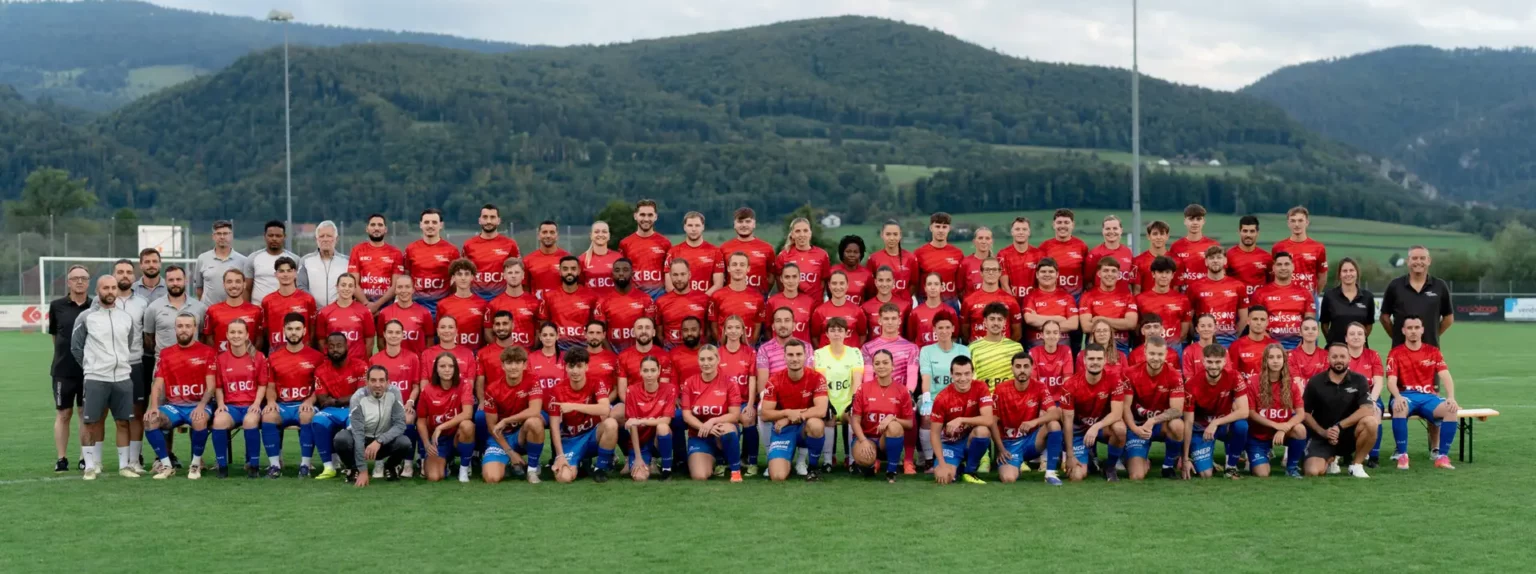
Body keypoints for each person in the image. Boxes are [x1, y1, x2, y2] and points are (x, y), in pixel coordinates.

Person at [70, 276, 142, 480]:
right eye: (105, 288)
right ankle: (90, 466)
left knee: (123, 422)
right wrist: (91, 366)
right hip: (96, 377)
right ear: (98, 290)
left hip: (122, 377)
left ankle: (124, 466)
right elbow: (76, 347)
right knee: (90, 423)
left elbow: (127, 343)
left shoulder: (125, 318)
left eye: (113, 287)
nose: (110, 291)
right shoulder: (86, 317)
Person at [144, 312, 216, 479]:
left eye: (188, 326)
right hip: (175, 407)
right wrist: (153, 406)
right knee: (150, 420)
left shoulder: (207, 352)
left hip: (199, 404)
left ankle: (195, 465)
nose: (184, 330)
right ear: (175, 328)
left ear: (195, 328)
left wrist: (201, 406)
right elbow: (158, 384)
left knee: (199, 419)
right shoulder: (166, 353)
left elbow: (211, 386)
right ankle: (166, 466)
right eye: (180, 326)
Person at [1385, 316, 1460, 470]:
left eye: (1416, 327)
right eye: (1410, 328)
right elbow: (1391, 381)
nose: (1413, 331)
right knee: (1399, 407)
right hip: (1406, 396)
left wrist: (1451, 397)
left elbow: (1445, 375)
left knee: (1451, 410)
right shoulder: (1395, 353)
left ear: (1422, 330)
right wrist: (1397, 397)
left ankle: (1442, 457)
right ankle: (1402, 455)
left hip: (1428, 398)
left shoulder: (1433, 351)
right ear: (1403, 331)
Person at [859, 306, 921, 473]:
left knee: (911, 412)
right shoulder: (868, 347)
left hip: (901, 396)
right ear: (879, 321)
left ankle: (908, 460)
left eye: (894, 318)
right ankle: (876, 458)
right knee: (873, 411)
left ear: (900, 321)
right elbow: (868, 376)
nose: (890, 322)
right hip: (877, 393)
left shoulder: (911, 347)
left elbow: (912, 374)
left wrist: (908, 395)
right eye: (886, 318)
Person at [261, 313, 324, 479]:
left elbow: (320, 386)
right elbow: (270, 386)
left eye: (297, 329)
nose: (293, 332)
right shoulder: (273, 357)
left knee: (307, 415)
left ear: (304, 331)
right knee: (268, 415)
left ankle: (305, 465)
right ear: (284, 331)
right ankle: (274, 466)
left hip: (303, 404)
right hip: (283, 405)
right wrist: (271, 401)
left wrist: (310, 400)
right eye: (290, 329)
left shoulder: (317, 357)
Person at [1302, 344, 1378, 478]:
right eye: (1334, 356)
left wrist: (1339, 427)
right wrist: (1324, 432)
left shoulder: (1359, 380)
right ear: (1328, 359)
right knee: (1311, 472)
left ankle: (1356, 465)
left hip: (1349, 434)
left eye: (1343, 356)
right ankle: (1330, 460)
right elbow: (1305, 413)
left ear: (1349, 359)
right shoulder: (1315, 382)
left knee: (1371, 422)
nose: (1339, 360)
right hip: (1323, 436)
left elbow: (1367, 409)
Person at [547, 347, 620, 483]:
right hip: (571, 440)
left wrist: (574, 406)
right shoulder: (556, 390)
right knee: (564, 478)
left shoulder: (596, 382)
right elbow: (554, 427)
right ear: (566, 367)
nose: (575, 371)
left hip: (592, 435)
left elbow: (605, 409)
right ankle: (580, 463)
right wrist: (560, 455)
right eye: (571, 366)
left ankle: (601, 468)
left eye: (579, 366)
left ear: (586, 367)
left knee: (611, 424)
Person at [761, 340, 830, 482]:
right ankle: (786, 460)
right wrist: (786, 412)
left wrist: (789, 417)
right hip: (783, 430)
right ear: (784, 357)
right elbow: (765, 414)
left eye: (799, 354)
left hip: (804, 428)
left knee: (816, 424)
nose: (795, 359)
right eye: (790, 355)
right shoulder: (774, 380)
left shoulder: (817, 378)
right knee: (778, 476)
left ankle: (813, 468)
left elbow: (821, 410)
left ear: (806, 356)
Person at [991, 352, 1064, 485]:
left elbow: (1056, 413)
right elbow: (992, 422)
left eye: (1026, 366)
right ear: (1012, 368)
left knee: (1054, 424)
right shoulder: (1000, 390)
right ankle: (1015, 466)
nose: (1022, 370)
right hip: (1009, 444)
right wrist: (1000, 449)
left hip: (1032, 441)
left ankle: (1050, 473)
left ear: (1032, 368)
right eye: (1018, 366)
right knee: (1008, 479)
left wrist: (1034, 422)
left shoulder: (1039, 387)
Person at [210, 320, 269, 479]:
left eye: (240, 332)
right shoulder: (221, 359)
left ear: (247, 335)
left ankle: (253, 466)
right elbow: (218, 386)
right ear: (227, 335)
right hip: (231, 407)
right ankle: (222, 467)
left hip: (251, 405)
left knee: (250, 421)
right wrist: (221, 404)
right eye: (233, 332)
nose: (236, 336)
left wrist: (256, 403)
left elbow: (262, 384)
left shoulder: (258, 357)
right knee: (219, 421)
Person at [478, 346, 547, 484]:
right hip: (501, 437)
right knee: (491, 478)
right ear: (503, 366)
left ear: (525, 365)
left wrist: (506, 420)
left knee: (535, 421)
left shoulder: (533, 380)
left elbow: (534, 410)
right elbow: (492, 427)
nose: (513, 367)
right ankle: (510, 464)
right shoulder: (492, 389)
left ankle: (532, 469)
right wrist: (510, 452)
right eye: (509, 363)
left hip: (521, 434)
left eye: (517, 362)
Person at [1059, 344, 1127, 482]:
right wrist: (1070, 455)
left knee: (1120, 429)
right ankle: (1088, 460)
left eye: (1099, 359)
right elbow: (1067, 421)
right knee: (1076, 476)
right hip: (1079, 431)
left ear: (1104, 360)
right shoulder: (1070, 384)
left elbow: (1117, 413)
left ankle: (1109, 467)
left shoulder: (1114, 380)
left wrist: (1096, 426)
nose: (1095, 362)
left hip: (1102, 428)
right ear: (1084, 360)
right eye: (1091, 359)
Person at [1180, 344, 1250, 480]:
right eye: (1210, 362)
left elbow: (1244, 411)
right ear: (1203, 361)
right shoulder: (1191, 385)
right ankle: (1203, 459)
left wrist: (1216, 422)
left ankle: (1231, 467)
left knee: (1241, 426)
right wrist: (1185, 459)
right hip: (1201, 429)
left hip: (1223, 425)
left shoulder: (1234, 376)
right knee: (1206, 474)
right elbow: (1188, 422)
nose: (1214, 366)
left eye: (1218, 362)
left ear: (1224, 361)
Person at [1121, 337, 1185, 480]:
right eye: (1152, 353)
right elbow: (1125, 406)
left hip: (1160, 425)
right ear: (1145, 352)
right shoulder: (1130, 373)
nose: (1156, 358)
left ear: (1166, 354)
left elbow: (1177, 410)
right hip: (1138, 425)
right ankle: (1132, 457)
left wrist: (1153, 421)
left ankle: (1168, 466)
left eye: (1160, 354)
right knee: (1136, 476)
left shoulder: (1174, 375)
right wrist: (1135, 428)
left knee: (1178, 425)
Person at [48, 265, 92, 472]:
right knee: (64, 413)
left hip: (89, 370)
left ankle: (84, 457)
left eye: (83, 278)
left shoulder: (95, 306)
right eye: (75, 278)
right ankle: (61, 458)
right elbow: (55, 337)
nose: (79, 281)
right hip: (62, 371)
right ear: (68, 282)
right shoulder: (56, 306)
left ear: (89, 282)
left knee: (85, 413)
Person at [338, 366, 411, 486]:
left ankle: (391, 466)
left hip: (384, 441)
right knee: (341, 439)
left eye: (381, 380)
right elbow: (358, 434)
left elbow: (400, 425)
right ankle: (354, 468)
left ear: (388, 382)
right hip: (362, 439)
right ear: (366, 382)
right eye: (373, 380)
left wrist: (379, 441)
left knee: (404, 443)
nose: (377, 384)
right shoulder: (358, 397)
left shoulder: (394, 393)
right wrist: (363, 470)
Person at [850, 350, 916, 483]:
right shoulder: (863, 388)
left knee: (895, 426)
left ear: (893, 366)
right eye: (877, 363)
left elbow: (909, 424)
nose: (881, 366)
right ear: (873, 367)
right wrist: (863, 441)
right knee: (866, 458)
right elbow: (855, 420)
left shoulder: (902, 390)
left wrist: (893, 418)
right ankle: (868, 465)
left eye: (885, 363)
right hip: (866, 437)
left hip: (886, 440)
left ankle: (891, 471)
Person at [680, 346, 744, 482]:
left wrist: (712, 421)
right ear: (698, 361)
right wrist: (704, 427)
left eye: (710, 359)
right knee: (699, 476)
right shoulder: (690, 383)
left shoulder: (729, 383)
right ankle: (716, 460)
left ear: (718, 360)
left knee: (727, 429)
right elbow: (686, 415)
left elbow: (734, 415)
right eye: (702, 359)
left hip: (721, 431)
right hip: (699, 435)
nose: (706, 363)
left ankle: (735, 471)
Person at [928, 356, 995, 485]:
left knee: (983, 431)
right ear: (951, 374)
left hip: (970, 440)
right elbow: (934, 434)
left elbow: (988, 420)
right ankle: (958, 468)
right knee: (945, 478)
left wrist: (961, 420)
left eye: (967, 373)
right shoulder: (942, 398)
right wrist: (942, 464)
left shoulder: (981, 387)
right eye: (958, 374)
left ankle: (970, 471)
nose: (963, 378)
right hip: (950, 444)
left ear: (973, 373)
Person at [310, 332, 367, 480]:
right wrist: (343, 400)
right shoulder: (321, 370)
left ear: (347, 346)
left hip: (353, 408)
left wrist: (335, 401)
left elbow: (361, 395)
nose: (335, 349)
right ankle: (328, 467)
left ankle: (354, 465)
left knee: (354, 424)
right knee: (318, 420)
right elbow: (323, 400)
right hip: (331, 411)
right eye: (331, 346)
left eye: (339, 346)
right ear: (326, 349)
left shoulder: (360, 366)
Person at [110, 260, 150, 470]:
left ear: (134, 277)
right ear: (113, 275)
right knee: (113, 415)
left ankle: (134, 461)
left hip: (134, 364)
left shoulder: (143, 303)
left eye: (128, 272)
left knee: (136, 413)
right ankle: (97, 461)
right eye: (120, 272)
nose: (124, 275)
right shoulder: (100, 301)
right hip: (108, 366)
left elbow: (148, 335)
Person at [369, 320, 422, 476]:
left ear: (403, 335)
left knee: (408, 418)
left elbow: (416, 386)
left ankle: (407, 463)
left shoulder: (412, 358)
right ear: (384, 335)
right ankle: (379, 462)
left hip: (404, 405)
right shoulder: (375, 359)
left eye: (397, 332)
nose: (394, 335)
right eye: (390, 332)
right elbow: (372, 387)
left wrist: (410, 402)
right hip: (382, 405)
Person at [1247, 344, 1308, 478]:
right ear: (1265, 360)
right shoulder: (1253, 381)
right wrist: (1276, 425)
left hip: (1283, 432)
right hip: (1258, 436)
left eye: (1279, 357)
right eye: (1271, 357)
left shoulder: (1291, 383)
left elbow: (1301, 413)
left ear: (1284, 360)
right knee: (1262, 474)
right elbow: (1251, 413)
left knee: (1300, 429)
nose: (1275, 361)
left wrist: (1284, 427)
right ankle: (1263, 455)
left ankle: (1291, 468)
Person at [814, 318, 864, 473]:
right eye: (833, 330)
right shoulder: (819, 353)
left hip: (847, 401)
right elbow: (821, 381)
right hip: (829, 400)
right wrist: (826, 403)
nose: (836, 333)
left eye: (840, 330)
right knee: (829, 418)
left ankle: (853, 461)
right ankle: (828, 461)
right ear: (827, 334)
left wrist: (854, 401)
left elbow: (857, 379)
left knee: (852, 418)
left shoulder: (855, 352)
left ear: (846, 333)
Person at [916, 315, 968, 466]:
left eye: (947, 327)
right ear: (934, 330)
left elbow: (967, 377)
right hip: (934, 398)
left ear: (953, 329)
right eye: (940, 328)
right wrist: (926, 399)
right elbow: (926, 376)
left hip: (958, 398)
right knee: (927, 416)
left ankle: (963, 455)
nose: (944, 331)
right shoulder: (926, 351)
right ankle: (928, 459)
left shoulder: (963, 350)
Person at [1380, 246, 1453, 348]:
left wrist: (1433, 336)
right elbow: (1384, 317)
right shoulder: (1395, 285)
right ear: (1408, 261)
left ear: (1429, 261)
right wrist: (1397, 337)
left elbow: (1448, 318)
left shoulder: (1440, 286)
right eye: (1414, 258)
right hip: (1401, 350)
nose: (1418, 262)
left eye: (1422, 258)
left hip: (1430, 350)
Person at [418, 353, 475, 483]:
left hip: (457, 436)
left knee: (467, 425)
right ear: (436, 370)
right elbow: (421, 421)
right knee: (434, 477)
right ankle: (446, 463)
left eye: (451, 366)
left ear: (455, 368)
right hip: (439, 441)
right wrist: (427, 444)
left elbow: (468, 413)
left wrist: (440, 427)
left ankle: (464, 469)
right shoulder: (427, 390)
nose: (447, 369)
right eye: (442, 366)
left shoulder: (464, 384)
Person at [623, 356, 677, 481]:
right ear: (640, 371)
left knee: (663, 427)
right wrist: (638, 457)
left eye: (653, 370)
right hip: (640, 442)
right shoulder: (632, 390)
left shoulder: (669, 389)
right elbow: (632, 426)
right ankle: (645, 460)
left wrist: (641, 421)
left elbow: (666, 420)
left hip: (657, 440)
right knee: (639, 478)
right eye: (645, 371)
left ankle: (666, 469)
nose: (649, 375)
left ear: (659, 371)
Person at [715, 316, 758, 472]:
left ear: (742, 331)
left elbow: (752, 379)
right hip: (723, 403)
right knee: (720, 422)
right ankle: (722, 460)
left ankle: (750, 461)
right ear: (724, 331)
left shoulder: (750, 352)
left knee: (748, 418)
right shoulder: (717, 353)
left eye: (737, 327)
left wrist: (750, 404)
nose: (733, 331)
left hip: (743, 401)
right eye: (730, 327)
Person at [1249, 252, 1316, 350]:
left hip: (1298, 346)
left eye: (1286, 264)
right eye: (1279, 264)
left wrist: (1301, 346)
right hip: (1268, 347)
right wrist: (1274, 347)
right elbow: (1255, 324)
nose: (1283, 268)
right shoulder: (1260, 293)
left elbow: (1310, 322)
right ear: (1273, 268)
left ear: (1293, 267)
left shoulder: (1305, 293)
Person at [1344, 322, 1387, 468]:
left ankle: (1374, 456)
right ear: (1346, 338)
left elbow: (1378, 382)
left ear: (1365, 337)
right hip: (1345, 398)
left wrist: (1372, 401)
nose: (1356, 337)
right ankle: (1345, 453)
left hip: (1369, 396)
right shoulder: (1341, 355)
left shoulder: (1373, 355)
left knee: (1375, 411)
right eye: (1352, 334)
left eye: (1360, 334)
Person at [405, 208, 462, 315]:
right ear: (421, 225)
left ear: (441, 225)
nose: (430, 226)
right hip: (416, 308)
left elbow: (457, 281)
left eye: (434, 222)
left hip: (443, 308)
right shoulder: (411, 249)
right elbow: (406, 277)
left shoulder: (452, 251)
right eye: (426, 222)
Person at [1186, 246, 1246, 346]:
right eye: (1211, 258)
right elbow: (1188, 318)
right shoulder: (1194, 287)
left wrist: (1234, 337)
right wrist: (1196, 337)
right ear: (1206, 262)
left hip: (1229, 341)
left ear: (1225, 261)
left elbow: (1244, 318)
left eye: (1219, 257)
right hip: (1203, 341)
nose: (1215, 261)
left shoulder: (1238, 286)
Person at [595, 259, 658, 351]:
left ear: (632, 273)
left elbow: (649, 331)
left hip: (639, 353)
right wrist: (611, 354)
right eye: (617, 270)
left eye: (625, 270)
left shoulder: (645, 299)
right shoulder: (602, 301)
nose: (621, 273)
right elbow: (599, 332)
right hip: (613, 353)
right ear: (612, 274)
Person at [460, 204, 520, 300]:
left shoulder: (510, 244)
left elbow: (519, 274)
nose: (488, 221)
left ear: (498, 220)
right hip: (475, 301)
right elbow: (462, 274)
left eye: (492, 217)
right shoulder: (469, 245)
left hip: (502, 300)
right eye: (485, 217)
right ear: (479, 220)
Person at [1079, 257, 1139, 354]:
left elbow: (1131, 324)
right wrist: (1120, 325)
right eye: (1106, 270)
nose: (1110, 274)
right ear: (1099, 273)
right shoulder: (1088, 296)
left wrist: (1100, 319)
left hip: (1121, 348)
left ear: (1118, 275)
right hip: (1095, 349)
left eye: (1113, 271)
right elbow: (1086, 327)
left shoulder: (1127, 296)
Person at [539, 255, 598, 352]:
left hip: (583, 350)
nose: (569, 272)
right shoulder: (549, 296)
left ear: (579, 271)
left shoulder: (591, 296)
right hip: (557, 350)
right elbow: (544, 324)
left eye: (573, 269)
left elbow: (595, 324)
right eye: (565, 269)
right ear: (560, 271)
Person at [351, 214, 407, 313]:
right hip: (362, 309)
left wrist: (377, 305)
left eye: (380, 225)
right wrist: (366, 304)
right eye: (373, 225)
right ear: (367, 229)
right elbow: (353, 282)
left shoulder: (395, 253)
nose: (376, 228)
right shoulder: (357, 250)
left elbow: (396, 285)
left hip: (386, 309)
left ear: (385, 229)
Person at [1135, 256, 1191, 356]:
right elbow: (1137, 329)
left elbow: (1184, 332)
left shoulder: (1183, 299)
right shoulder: (1140, 299)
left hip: (1174, 350)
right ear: (1153, 274)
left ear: (1172, 275)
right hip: (1149, 352)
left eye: (1167, 272)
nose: (1164, 276)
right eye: (1160, 272)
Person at [259, 256, 317, 350]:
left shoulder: (307, 299)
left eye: (289, 271)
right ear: (276, 274)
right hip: (277, 351)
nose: (285, 275)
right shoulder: (267, 301)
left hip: (302, 351)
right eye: (281, 271)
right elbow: (265, 330)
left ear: (295, 273)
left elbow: (313, 328)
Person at [619, 199, 673, 298]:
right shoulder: (625, 244)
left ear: (656, 217)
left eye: (650, 215)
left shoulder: (665, 243)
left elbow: (670, 274)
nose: (646, 219)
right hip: (635, 299)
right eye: (642, 215)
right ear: (635, 216)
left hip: (659, 299)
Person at [715, 207, 776, 295]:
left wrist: (763, 294)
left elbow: (771, 277)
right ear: (734, 224)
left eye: (748, 221)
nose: (744, 225)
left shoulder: (767, 248)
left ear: (754, 224)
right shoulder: (724, 248)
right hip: (732, 298)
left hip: (759, 297)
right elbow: (720, 277)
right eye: (740, 221)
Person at [710, 252, 767, 342]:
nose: (738, 268)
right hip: (724, 347)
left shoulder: (758, 298)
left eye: (742, 265)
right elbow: (713, 327)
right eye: (734, 264)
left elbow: (757, 328)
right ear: (728, 268)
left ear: (748, 268)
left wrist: (748, 347)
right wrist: (724, 345)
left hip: (748, 347)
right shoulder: (717, 296)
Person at [203, 269, 263, 353]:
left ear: (244, 285)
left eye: (238, 281)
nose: (234, 285)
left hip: (248, 359)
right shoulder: (212, 311)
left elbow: (259, 340)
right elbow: (209, 340)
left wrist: (250, 357)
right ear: (224, 285)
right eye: (229, 282)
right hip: (220, 360)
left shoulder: (256, 311)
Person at [1022, 259, 1079, 347]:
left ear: (1057, 274)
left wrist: (1040, 322)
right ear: (1037, 275)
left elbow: (1073, 324)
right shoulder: (1030, 297)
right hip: (1036, 348)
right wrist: (1059, 319)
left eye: (1051, 271)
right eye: (1043, 271)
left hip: (1062, 349)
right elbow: (1030, 320)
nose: (1047, 274)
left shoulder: (1067, 297)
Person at [960, 257, 1020, 341]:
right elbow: (964, 332)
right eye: (987, 270)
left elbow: (1017, 333)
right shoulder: (969, 301)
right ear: (981, 273)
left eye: (994, 270)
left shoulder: (1011, 300)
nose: (991, 273)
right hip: (978, 347)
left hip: (1002, 347)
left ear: (1000, 273)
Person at [483, 258, 540, 348]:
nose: (513, 276)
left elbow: (538, 332)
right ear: (504, 276)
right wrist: (501, 351)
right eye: (510, 273)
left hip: (527, 353)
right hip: (504, 353)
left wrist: (530, 351)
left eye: (517, 272)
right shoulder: (493, 304)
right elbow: (488, 332)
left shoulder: (534, 302)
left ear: (523, 275)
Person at [665, 211, 725, 294]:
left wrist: (702, 299)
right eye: (690, 225)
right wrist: (683, 299)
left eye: (697, 225)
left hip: (706, 300)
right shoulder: (673, 252)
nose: (693, 229)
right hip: (681, 301)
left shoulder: (715, 252)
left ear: (703, 227)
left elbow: (718, 284)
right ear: (684, 227)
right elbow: (669, 286)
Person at [1274, 206, 1328, 297]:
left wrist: (1313, 296)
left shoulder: (1318, 248)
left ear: (1307, 223)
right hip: (1285, 297)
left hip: (1309, 297)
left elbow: (1322, 277)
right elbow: (1274, 275)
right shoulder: (1278, 247)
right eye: (1293, 221)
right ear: (1288, 223)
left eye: (1300, 220)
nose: (1297, 224)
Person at [1319, 258, 1374, 347]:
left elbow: (1369, 325)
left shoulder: (1368, 297)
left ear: (1357, 273)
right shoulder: (1329, 296)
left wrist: (1357, 342)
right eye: (1344, 271)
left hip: (1360, 350)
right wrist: (1332, 342)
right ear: (1339, 275)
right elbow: (1324, 325)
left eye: (1351, 270)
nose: (1348, 274)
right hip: (1336, 351)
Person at [375, 274, 433, 355]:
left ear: (413, 289)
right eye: (400, 287)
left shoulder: (424, 313)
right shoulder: (384, 313)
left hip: (416, 361)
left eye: (407, 287)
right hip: (393, 361)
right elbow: (380, 341)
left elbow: (430, 341)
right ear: (395, 290)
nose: (403, 290)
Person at [436, 259, 488, 350]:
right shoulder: (442, 305)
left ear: (472, 277)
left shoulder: (483, 304)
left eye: (466, 274)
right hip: (451, 354)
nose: (463, 278)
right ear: (453, 277)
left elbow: (486, 334)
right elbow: (439, 335)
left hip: (474, 354)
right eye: (459, 274)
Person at [970, 303, 1024, 391]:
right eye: (992, 319)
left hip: (1009, 397)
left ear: (1004, 322)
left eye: (999, 319)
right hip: (984, 397)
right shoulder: (972, 348)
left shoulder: (1016, 348)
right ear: (985, 321)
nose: (996, 323)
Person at [244, 220, 299, 305]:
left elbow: (298, 287)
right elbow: (247, 289)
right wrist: (247, 309)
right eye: (270, 235)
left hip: (285, 308)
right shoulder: (253, 258)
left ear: (284, 237)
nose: (274, 239)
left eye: (278, 236)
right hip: (259, 308)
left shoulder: (295, 259)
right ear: (265, 236)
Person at [657, 260, 711, 347]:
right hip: (671, 351)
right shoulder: (661, 302)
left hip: (697, 351)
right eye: (675, 275)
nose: (679, 279)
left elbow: (708, 331)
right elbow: (659, 334)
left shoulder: (704, 299)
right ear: (670, 276)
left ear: (689, 275)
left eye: (683, 274)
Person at [194, 220, 248, 304]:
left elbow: (246, 289)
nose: (222, 237)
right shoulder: (202, 258)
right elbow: (199, 288)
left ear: (231, 236)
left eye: (225, 233)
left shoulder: (243, 261)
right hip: (208, 309)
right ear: (213, 236)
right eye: (218, 234)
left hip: (233, 310)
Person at [297, 220, 349, 307]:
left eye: (329, 236)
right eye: (321, 236)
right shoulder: (305, 261)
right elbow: (301, 286)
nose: (325, 239)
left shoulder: (347, 261)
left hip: (340, 310)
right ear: (316, 239)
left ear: (336, 239)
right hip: (314, 311)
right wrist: (313, 305)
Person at [419, 316, 478, 393]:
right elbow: (424, 382)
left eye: (450, 327)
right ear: (437, 331)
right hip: (434, 398)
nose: (446, 331)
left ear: (456, 331)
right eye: (443, 327)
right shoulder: (426, 354)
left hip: (460, 398)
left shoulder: (468, 353)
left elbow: (470, 383)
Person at [1039, 209, 1089, 297]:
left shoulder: (1081, 246)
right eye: (1059, 222)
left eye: (1066, 222)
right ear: (1053, 225)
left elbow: (1087, 275)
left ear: (1073, 225)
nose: (1062, 226)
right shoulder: (1044, 247)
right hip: (1052, 298)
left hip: (1076, 298)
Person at [811, 271, 867, 348]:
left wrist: (853, 351)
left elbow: (863, 335)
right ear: (829, 285)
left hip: (849, 354)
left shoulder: (857, 311)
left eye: (841, 283)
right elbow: (814, 337)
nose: (838, 287)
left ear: (847, 285)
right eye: (834, 283)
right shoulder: (819, 311)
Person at [776, 217, 831, 295]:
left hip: (815, 302)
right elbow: (779, 280)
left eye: (805, 230)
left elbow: (824, 281)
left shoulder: (822, 255)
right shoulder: (783, 256)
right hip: (792, 302)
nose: (802, 235)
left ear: (810, 233)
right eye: (797, 231)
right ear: (792, 234)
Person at [868, 220, 919, 303]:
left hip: (904, 305)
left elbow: (914, 284)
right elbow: (870, 286)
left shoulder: (911, 258)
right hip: (881, 305)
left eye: (895, 234)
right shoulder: (874, 258)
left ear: (900, 235)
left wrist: (904, 300)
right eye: (888, 234)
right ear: (882, 235)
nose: (891, 238)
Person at [766, 262, 818, 343]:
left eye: (794, 277)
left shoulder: (809, 302)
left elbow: (813, 331)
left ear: (800, 278)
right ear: (781, 279)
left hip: (802, 349)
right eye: (787, 277)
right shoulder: (772, 301)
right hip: (779, 349)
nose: (791, 281)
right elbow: (768, 329)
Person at [1170, 204, 1220, 287]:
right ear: (1185, 221)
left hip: (1207, 292)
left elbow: (1220, 273)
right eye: (1191, 219)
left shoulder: (1213, 245)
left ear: (1203, 221)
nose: (1195, 223)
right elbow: (1173, 276)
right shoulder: (1176, 247)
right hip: (1183, 293)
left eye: (1198, 219)